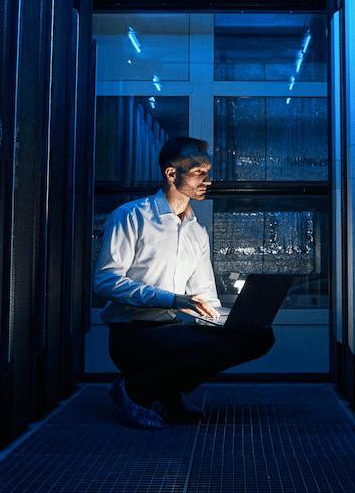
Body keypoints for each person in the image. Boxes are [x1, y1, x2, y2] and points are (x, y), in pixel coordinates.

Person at [95, 135, 275, 427]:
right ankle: (134, 389)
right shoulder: (131, 216)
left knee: (259, 335)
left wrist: (230, 320)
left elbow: (205, 298)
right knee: (193, 341)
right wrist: (172, 299)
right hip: (133, 334)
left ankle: (167, 392)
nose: (208, 180)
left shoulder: (196, 232)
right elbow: (105, 280)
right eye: (199, 172)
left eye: (208, 172)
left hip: (175, 330)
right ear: (171, 173)